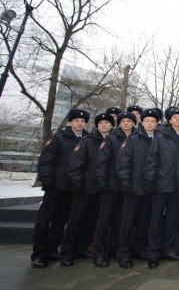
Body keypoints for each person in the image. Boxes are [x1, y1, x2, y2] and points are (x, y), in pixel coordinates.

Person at [31, 109, 90, 268]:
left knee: (61, 221)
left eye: (82, 121)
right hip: (56, 186)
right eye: (77, 120)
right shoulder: (59, 138)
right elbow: (46, 161)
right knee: (45, 220)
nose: (80, 123)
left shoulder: (87, 139)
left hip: (74, 188)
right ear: (70, 122)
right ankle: (39, 253)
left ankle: (51, 249)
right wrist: (48, 180)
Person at [60, 113, 114, 267]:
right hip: (85, 188)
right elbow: (75, 163)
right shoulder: (87, 142)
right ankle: (67, 252)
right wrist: (76, 182)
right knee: (75, 221)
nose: (104, 125)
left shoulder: (113, 141)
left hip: (103, 189)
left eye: (107, 122)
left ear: (112, 125)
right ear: (97, 125)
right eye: (101, 122)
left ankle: (82, 247)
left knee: (93, 222)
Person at [143, 107, 179, 269]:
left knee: (172, 220)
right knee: (156, 220)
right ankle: (153, 252)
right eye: (174, 117)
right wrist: (150, 180)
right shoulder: (160, 137)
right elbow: (152, 160)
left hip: (177, 187)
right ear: (169, 120)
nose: (176, 119)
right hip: (161, 185)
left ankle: (168, 249)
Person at [115, 108, 160, 268]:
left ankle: (140, 249)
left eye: (153, 121)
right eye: (147, 120)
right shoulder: (133, 139)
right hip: (133, 188)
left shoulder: (158, 139)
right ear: (142, 122)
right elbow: (123, 162)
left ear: (156, 123)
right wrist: (125, 182)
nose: (149, 123)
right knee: (127, 221)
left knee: (144, 221)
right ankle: (124, 252)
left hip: (150, 188)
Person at [93, 111, 136, 268]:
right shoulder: (111, 139)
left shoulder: (136, 139)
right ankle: (99, 254)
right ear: (119, 123)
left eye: (129, 121)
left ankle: (121, 252)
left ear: (133, 123)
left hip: (128, 188)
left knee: (124, 222)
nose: (126, 123)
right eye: (123, 121)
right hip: (110, 187)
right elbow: (101, 163)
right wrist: (102, 182)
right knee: (104, 221)